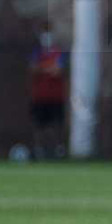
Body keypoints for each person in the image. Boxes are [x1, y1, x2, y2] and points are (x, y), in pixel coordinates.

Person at [28, 20, 68, 159]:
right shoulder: (37, 52)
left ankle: (59, 150)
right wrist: (49, 68)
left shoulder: (58, 52)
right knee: (39, 126)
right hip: (40, 96)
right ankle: (40, 150)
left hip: (56, 96)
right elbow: (33, 69)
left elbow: (59, 70)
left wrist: (43, 68)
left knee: (57, 125)